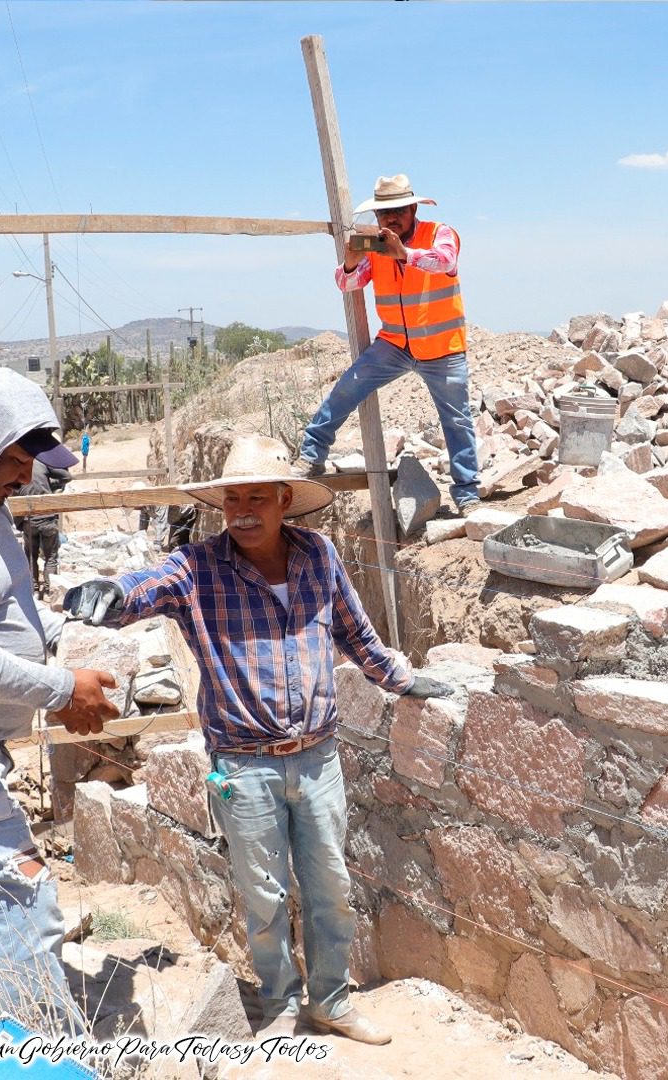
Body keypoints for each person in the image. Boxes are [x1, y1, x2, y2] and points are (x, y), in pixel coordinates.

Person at [63, 434, 452, 1044]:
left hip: (318, 757)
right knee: (264, 894)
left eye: (256, 497)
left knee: (331, 886)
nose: (242, 509)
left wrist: (402, 679)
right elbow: (145, 588)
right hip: (243, 766)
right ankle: (280, 1007)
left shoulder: (319, 555)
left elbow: (356, 632)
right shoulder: (197, 568)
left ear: (283, 499)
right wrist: (110, 598)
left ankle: (331, 1001)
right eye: (232, 498)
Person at [0, 367, 120, 1046]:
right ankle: (50, 1060)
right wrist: (60, 688)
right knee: (19, 900)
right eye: (16, 460)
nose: (24, 478)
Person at [293, 174, 481, 516]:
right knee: (346, 390)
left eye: (396, 211)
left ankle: (467, 493)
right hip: (394, 343)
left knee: (457, 420)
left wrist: (405, 254)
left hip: (442, 347)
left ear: (412, 208)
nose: (389, 219)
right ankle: (312, 455)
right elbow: (346, 282)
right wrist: (351, 259)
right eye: (383, 214)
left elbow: (446, 261)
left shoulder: (439, 234)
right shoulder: (377, 245)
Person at [14, 459, 69, 596]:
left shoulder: (17, 465)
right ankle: (50, 588)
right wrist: (51, 485)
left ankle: (33, 587)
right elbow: (67, 476)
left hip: (29, 520)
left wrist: (19, 523)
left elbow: (14, 493)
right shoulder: (42, 462)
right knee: (51, 557)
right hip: (48, 517)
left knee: (30, 555)